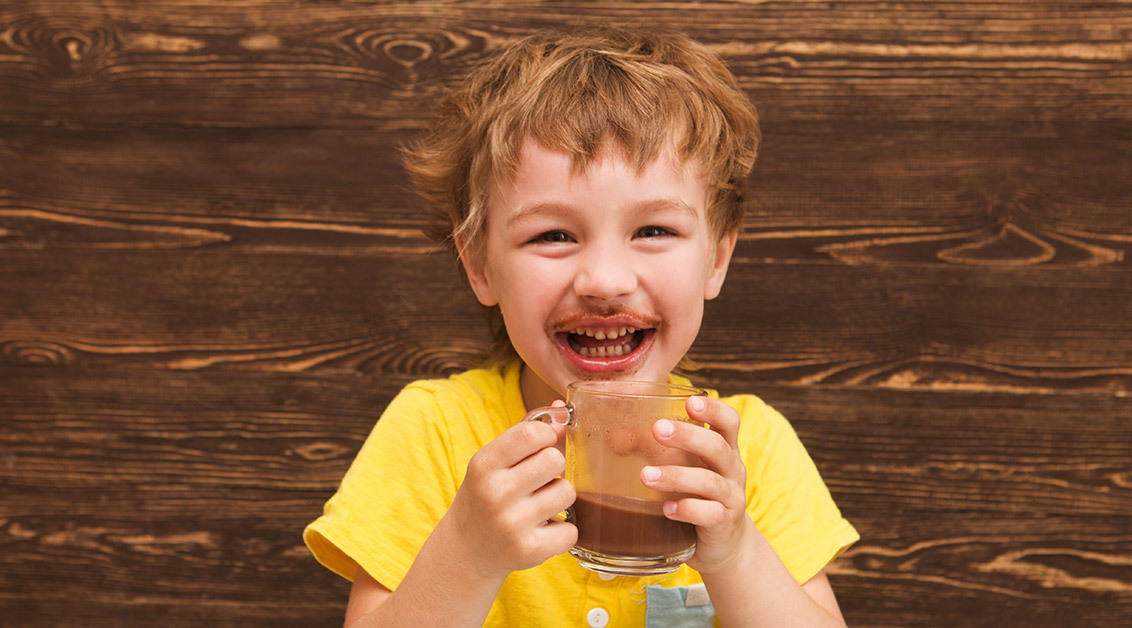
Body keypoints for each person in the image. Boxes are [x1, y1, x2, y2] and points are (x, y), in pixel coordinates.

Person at [304, 26, 859, 628]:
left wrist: (735, 551)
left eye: (653, 231)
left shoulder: (750, 449)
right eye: (553, 235)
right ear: (479, 266)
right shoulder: (435, 431)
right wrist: (467, 552)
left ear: (716, 259)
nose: (604, 279)